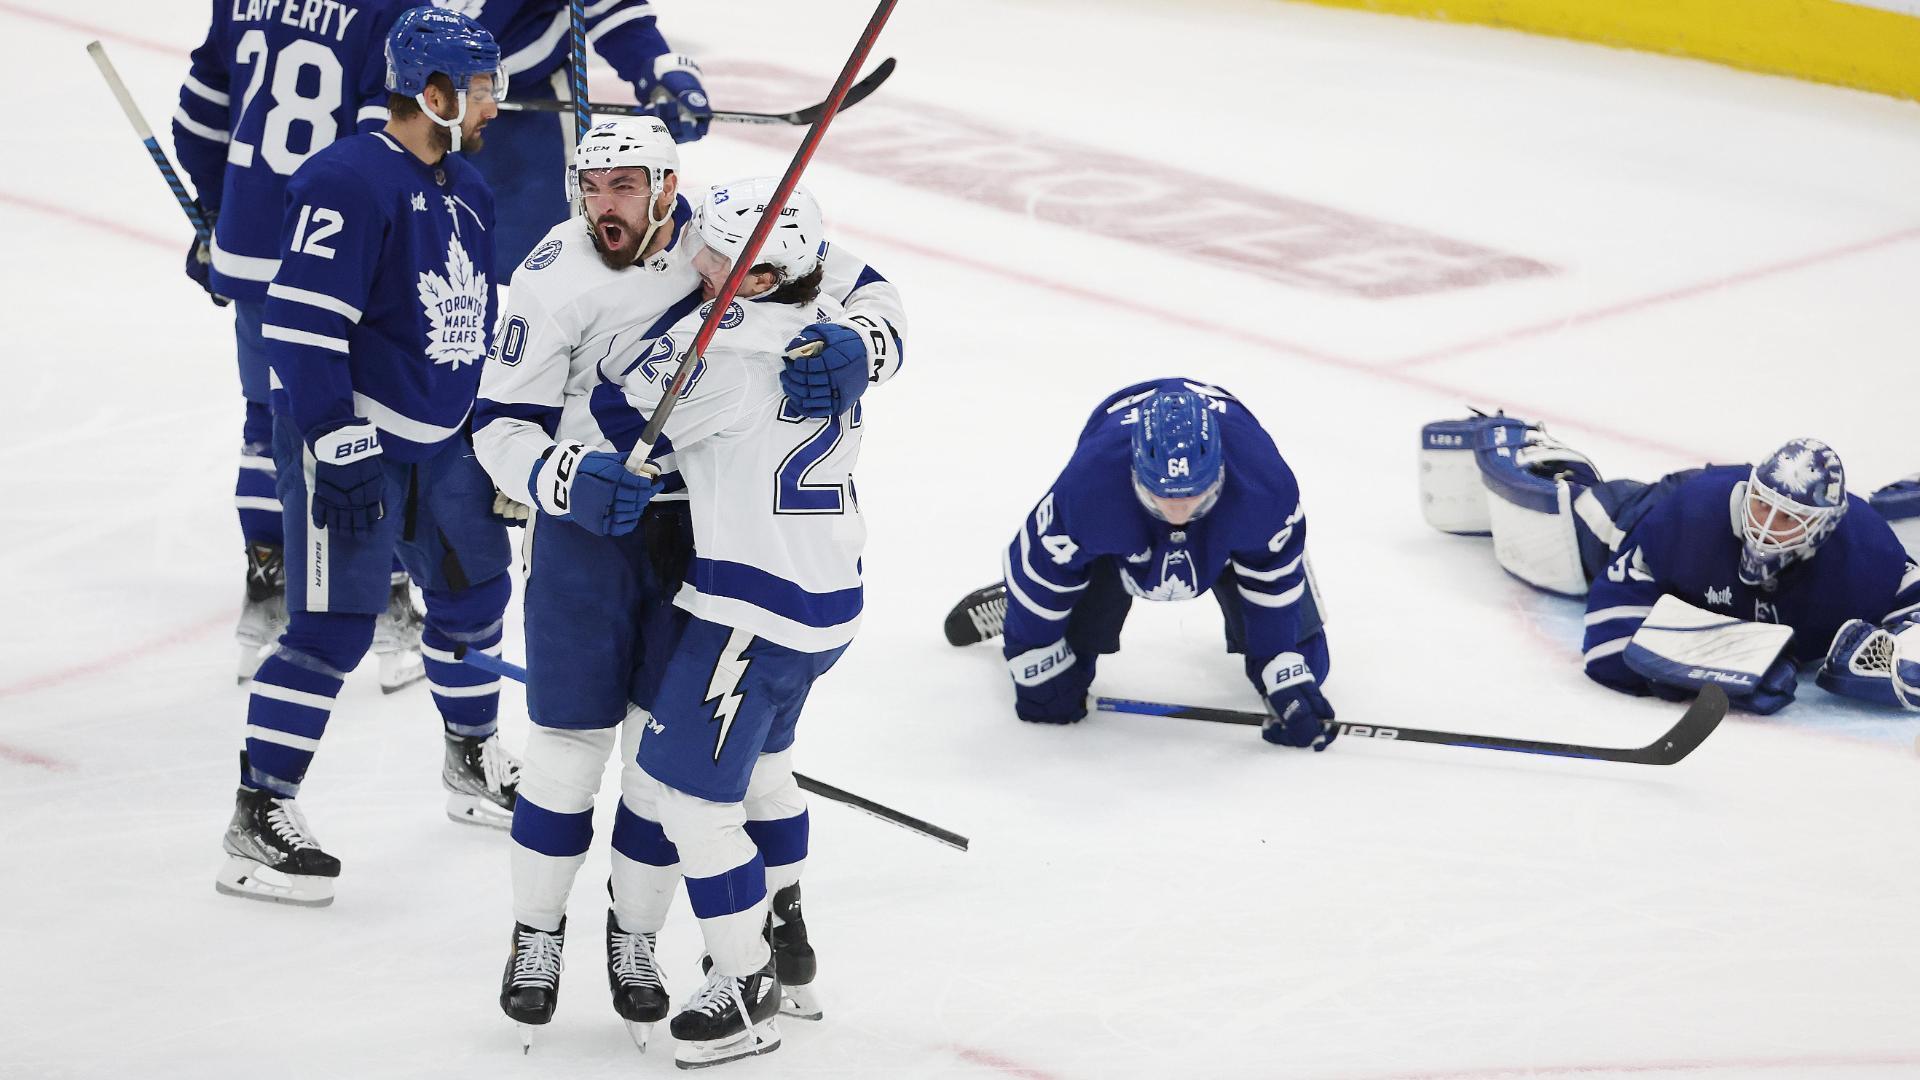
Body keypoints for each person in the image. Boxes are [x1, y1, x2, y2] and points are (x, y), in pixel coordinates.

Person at [475, 142, 905, 1052]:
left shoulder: (731, 232)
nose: (606, 206)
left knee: (659, 766)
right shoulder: (552, 275)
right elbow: (499, 423)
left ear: (670, 189)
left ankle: (635, 939)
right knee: (566, 750)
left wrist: (861, 346)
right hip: (594, 530)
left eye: (625, 186)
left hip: (705, 544)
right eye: (590, 189)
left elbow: (872, 293)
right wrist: (561, 473)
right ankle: (537, 935)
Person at [214, 7, 522, 910]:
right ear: (433, 93)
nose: (493, 105)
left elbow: (468, 317)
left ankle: (472, 762)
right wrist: (336, 444)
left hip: (446, 443)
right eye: (479, 89)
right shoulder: (346, 180)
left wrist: (491, 431)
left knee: (473, 601)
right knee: (332, 630)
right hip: (353, 444)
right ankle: (257, 815)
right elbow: (301, 326)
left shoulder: (470, 186)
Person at [172, 0, 428, 686]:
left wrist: (218, 216)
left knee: (267, 422)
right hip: (344, 257)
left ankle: (268, 590)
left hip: (256, 253)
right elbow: (390, 149)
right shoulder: (394, 13)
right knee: (370, 423)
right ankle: (387, 602)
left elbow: (198, 116)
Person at [1418, 412, 1920, 713]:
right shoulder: (1689, 521)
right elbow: (1605, 642)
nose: (1766, 526)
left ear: (1825, 527)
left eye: (1788, 517)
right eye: (1762, 504)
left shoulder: (1867, 553)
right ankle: (1532, 452)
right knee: (1559, 538)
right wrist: (1722, 672)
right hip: (1650, 510)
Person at [972, 379, 1337, 751]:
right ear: (1134, 476)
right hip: (1119, 547)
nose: (1177, 514)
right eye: (1162, 498)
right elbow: (1039, 570)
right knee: (1051, 701)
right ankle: (1021, 607)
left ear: (1221, 473)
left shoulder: (1264, 487)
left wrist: (1279, 661)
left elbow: (1274, 573)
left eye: (1194, 496)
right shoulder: (1089, 491)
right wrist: (1033, 648)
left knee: (1308, 673)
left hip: (1225, 537)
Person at [442, 1, 712, 281]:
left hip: (526, 117)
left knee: (536, 272)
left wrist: (657, 70)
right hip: (408, 110)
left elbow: (612, 9)